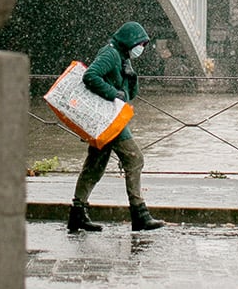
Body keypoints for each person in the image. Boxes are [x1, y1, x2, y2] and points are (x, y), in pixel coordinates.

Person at [66, 20, 167, 233]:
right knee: (134, 158)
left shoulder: (122, 57)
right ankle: (139, 214)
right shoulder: (110, 54)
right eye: (140, 44)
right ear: (130, 41)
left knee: (95, 164)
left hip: (109, 118)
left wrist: (131, 76)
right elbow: (90, 76)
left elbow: (130, 94)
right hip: (108, 119)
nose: (142, 49)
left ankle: (77, 213)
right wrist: (113, 94)